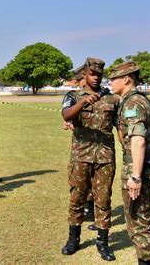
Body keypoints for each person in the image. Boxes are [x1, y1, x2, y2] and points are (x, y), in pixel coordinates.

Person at [60, 58, 119, 261]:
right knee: (77, 197)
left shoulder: (112, 99)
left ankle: (103, 243)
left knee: (103, 200)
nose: (96, 78)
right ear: (84, 74)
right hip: (81, 157)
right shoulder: (72, 95)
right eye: (92, 74)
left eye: (99, 75)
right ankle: (73, 239)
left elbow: (120, 127)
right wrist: (84, 101)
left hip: (105, 157)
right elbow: (66, 115)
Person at [109, 61, 150, 265]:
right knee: (144, 218)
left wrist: (135, 176)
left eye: (113, 78)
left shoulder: (133, 104)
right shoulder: (149, 102)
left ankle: (146, 261)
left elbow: (138, 140)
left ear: (126, 79)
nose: (110, 82)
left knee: (138, 223)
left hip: (138, 170)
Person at [63, 66, 96, 227]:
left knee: (93, 181)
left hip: (96, 148)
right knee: (79, 181)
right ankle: (85, 209)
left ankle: (90, 210)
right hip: (81, 148)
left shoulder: (100, 96)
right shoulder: (73, 96)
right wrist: (71, 123)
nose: (81, 85)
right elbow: (68, 114)